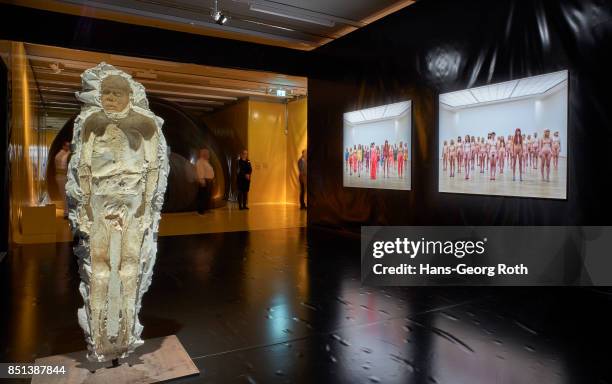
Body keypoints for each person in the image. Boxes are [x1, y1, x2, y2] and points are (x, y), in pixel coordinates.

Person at [196, 148, 215, 214]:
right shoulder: (200, 162)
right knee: (202, 196)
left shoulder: (206, 162)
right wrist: (202, 180)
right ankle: (201, 211)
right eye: (207, 153)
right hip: (205, 181)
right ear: (204, 154)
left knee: (207, 196)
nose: (209, 155)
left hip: (208, 181)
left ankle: (206, 209)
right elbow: (200, 172)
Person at [55, 140, 70, 216]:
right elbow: (62, 168)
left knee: (65, 195)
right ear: (63, 146)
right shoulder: (62, 155)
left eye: (69, 146)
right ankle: (67, 212)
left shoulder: (62, 154)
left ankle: (67, 212)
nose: (68, 147)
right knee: (65, 195)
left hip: (61, 177)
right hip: (62, 177)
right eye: (67, 146)